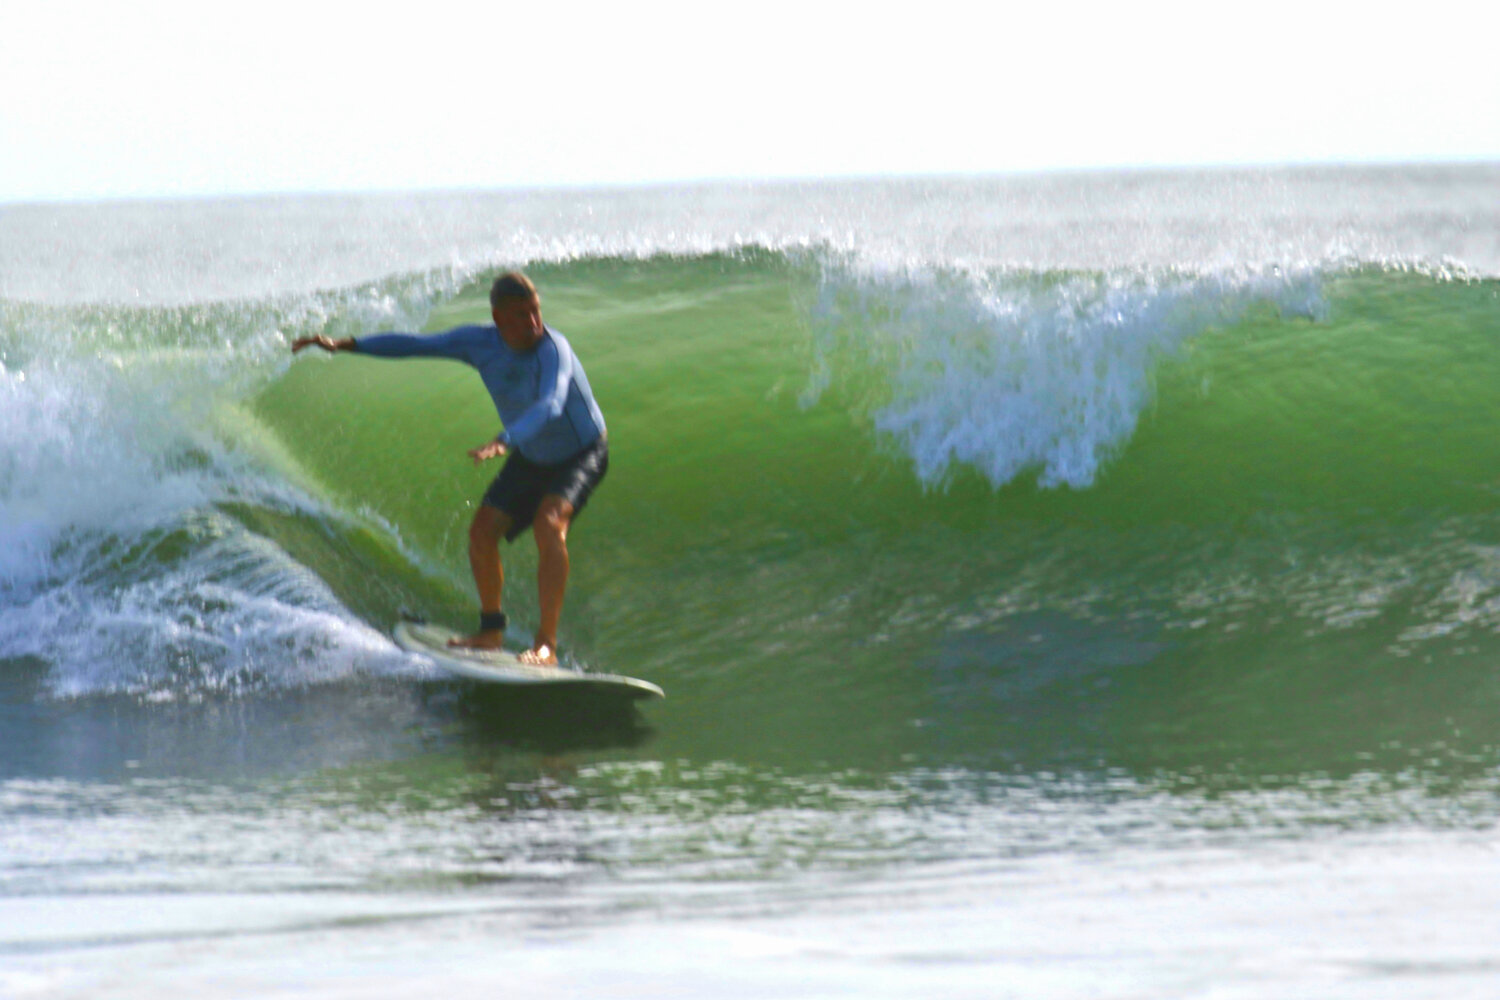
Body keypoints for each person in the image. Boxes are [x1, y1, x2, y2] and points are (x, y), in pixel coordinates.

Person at [291, 272, 607, 666]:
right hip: (530, 452)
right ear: (498, 318)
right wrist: (345, 344)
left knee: (549, 523)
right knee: (481, 533)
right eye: (521, 315)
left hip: (580, 452)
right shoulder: (478, 343)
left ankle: (547, 646)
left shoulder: (552, 350)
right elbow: (415, 345)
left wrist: (505, 439)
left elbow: (551, 404)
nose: (533, 324)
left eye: (535, 312)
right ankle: (491, 631)